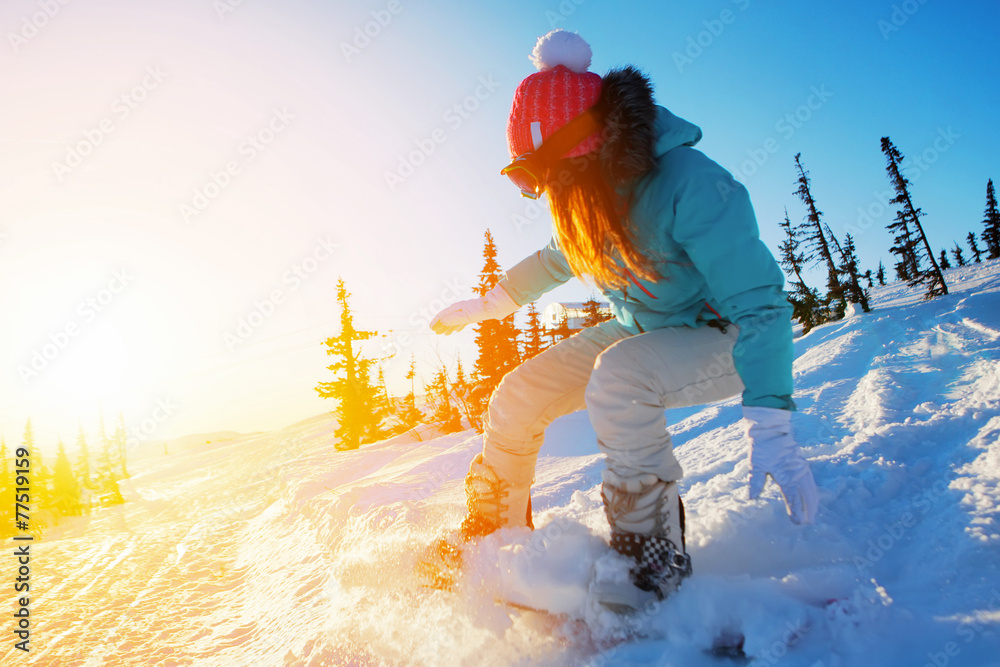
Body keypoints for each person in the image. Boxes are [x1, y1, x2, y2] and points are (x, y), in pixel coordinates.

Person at [429, 30, 819, 611]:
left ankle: (651, 557)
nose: (541, 194)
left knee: (620, 377)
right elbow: (556, 258)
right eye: (528, 180)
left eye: (544, 176)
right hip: (641, 326)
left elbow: (761, 304)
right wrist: (492, 303)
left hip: (722, 334)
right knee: (517, 394)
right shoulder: (586, 194)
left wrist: (771, 424)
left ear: (590, 144)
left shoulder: (692, 182)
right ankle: (496, 538)